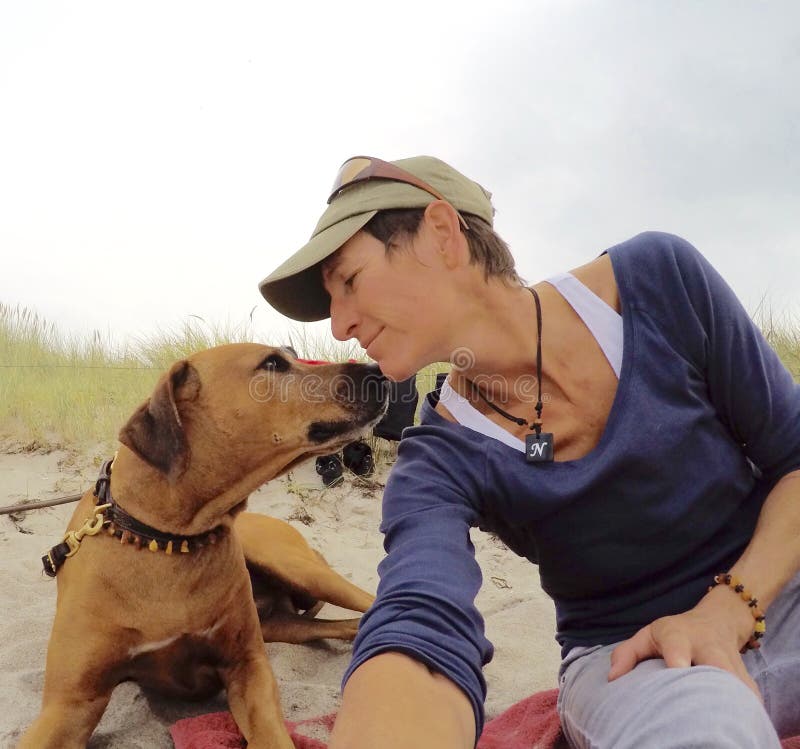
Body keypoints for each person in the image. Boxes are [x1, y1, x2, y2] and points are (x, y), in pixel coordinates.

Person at [258, 155, 800, 748]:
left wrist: (728, 610)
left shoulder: (658, 282)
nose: (337, 326)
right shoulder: (439, 456)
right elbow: (420, 616)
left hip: (780, 585)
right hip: (637, 664)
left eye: (349, 281)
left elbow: (793, 457)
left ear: (441, 234)